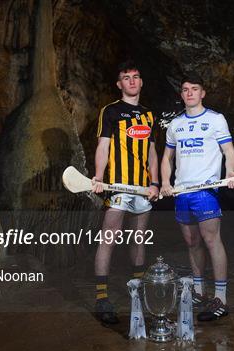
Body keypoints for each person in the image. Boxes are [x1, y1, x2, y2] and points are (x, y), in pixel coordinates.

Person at [161, 74, 234, 321]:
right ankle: (198, 291)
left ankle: (221, 299)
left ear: (202, 93)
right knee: (192, 241)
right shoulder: (175, 125)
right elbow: (167, 159)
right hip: (182, 192)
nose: (190, 93)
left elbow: (229, 152)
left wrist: (231, 172)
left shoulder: (216, 120)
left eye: (194, 89)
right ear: (182, 94)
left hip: (205, 191)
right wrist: (165, 182)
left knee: (212, 240)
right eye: (185, 89)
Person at [92, 61, 160, 324]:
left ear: (141, 82)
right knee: (108, 238)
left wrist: (154, 183)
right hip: (118, 186)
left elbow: (153, 153)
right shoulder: (110, 111)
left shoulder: (148, 115)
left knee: (139, 239)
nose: (131, 81)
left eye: (135, 76)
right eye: (126, 78)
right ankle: (101, 298)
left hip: (143, 188)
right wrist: (98, 177)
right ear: (119, 84)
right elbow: (103, 146)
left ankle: (138, 291)